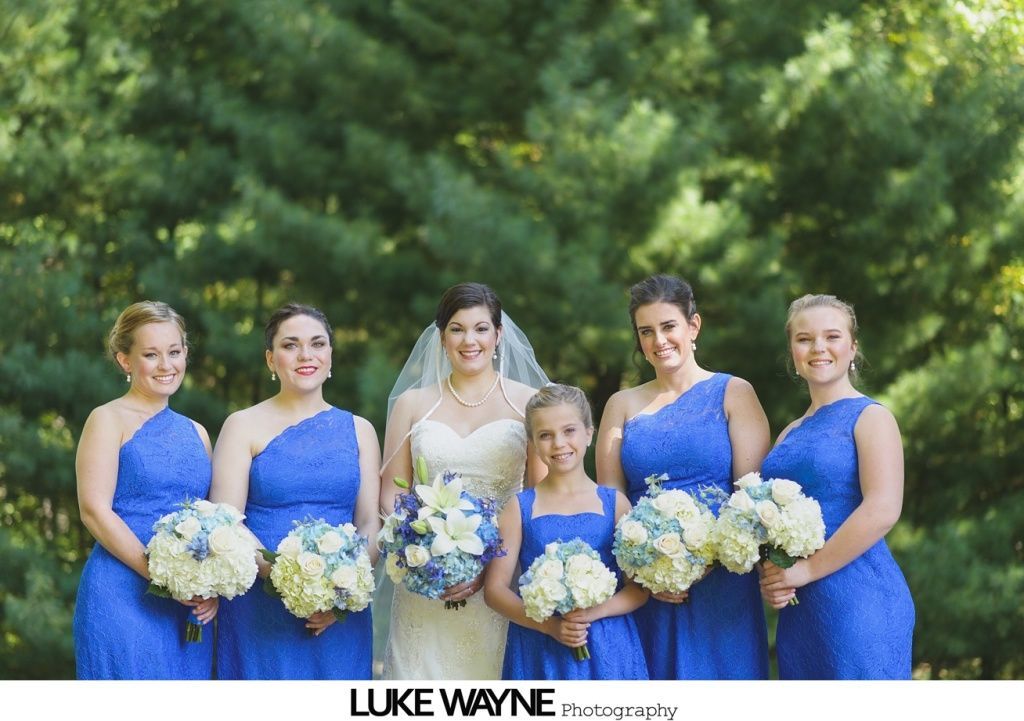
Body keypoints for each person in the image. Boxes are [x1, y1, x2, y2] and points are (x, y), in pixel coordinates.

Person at [595, 274, 771, 679]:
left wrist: (701, 559)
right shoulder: (620, 405)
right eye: (646, 331)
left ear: (693, 326)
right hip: (646, 583)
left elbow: (751, 496)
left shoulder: (733, 392)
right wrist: (646, 572)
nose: (659, 341)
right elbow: (612, 498)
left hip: (723, 583)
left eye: (669, 326)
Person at [379, 282, 549, 680]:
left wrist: (488, 565)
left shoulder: (530, 402)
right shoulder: (413, 404)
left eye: (480, 328)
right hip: (426, 583)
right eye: (456, 329)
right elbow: (393, 492)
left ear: (498, 334)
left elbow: (539, 498)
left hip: (500, 581)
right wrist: (423, 551)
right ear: (441, 338)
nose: (469, 340)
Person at [211, 303, 381, 679]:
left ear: (330, 355)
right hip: (260, 606)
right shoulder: (242, 425)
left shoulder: (360, 430)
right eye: (291, 345)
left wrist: (339, 593)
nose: (306, 355)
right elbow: (226, 520)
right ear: (271, 359)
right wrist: (290, 581)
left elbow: (370, 521)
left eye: (317, 344)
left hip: (341, 615)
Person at [759, 294, 915, 678]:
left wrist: (807, 570)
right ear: (792, 351)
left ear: (853, 347)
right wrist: (774, 576)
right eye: (804, 339)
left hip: (860, 599)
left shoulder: (871, 417)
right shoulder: (788, 433)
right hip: (802, 608)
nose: (818, 348)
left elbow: (882, 509)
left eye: (832, 336)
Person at [73, 301, 217, 679]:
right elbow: (94, 511)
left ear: (186, 353)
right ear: (125, 360)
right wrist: (161, 575)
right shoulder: (107, 419)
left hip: (186, 606)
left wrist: (212, 584)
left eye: (174, 352)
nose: (166, 365)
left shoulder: (198, 432)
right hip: (123, 594)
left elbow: (212, 520)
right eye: (151, 355)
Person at [486, 384, 649, 680]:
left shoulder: (614, 503)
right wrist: (550, 626)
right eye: (545, 435)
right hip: (540, 646)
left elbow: (638, 589)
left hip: (607, 644)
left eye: (569, 431)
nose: (558, 443)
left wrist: (594, 612)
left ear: (589, 433)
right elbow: (495, 591)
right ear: (533, 444)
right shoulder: (519, 507)